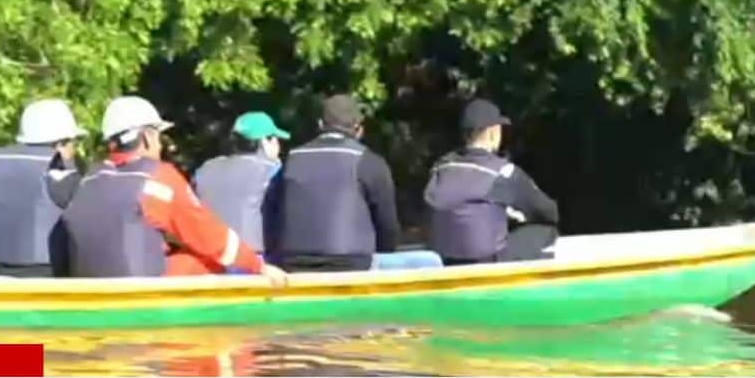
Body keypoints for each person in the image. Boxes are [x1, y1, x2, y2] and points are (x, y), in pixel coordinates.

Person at [61, 96, 289, 283]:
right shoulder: (159, 177)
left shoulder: (90, 177)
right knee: (205, 261)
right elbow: (208, 234)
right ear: (146, 137)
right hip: (142, 292)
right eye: (159, 136)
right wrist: (257, 265)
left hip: (91, 288)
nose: (161, 145)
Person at [423, 98, 559, 263]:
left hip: (442, 258)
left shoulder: (440, 166)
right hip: (486, 261)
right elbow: (547, 211)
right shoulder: (503, 171)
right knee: (546, 230)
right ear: (493, 133)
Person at [273, 94, 399, 272]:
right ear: (358, 128)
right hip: (351, 264)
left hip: (294, 263)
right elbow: (387, 225)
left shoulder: (291, 159)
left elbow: (274, 213)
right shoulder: (369, 161)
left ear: (320, 125)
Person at [0, 98, 85, 277]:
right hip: (44, 275)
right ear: (60, 144)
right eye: (74, 143)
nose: (74, 151)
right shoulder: (59, 175)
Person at [192, 111, 289, 257]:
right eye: (275, 138)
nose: (278, 144)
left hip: (208, 257)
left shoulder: (206, 169)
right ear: (264, 141)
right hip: (252, 259)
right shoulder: (270, 170)